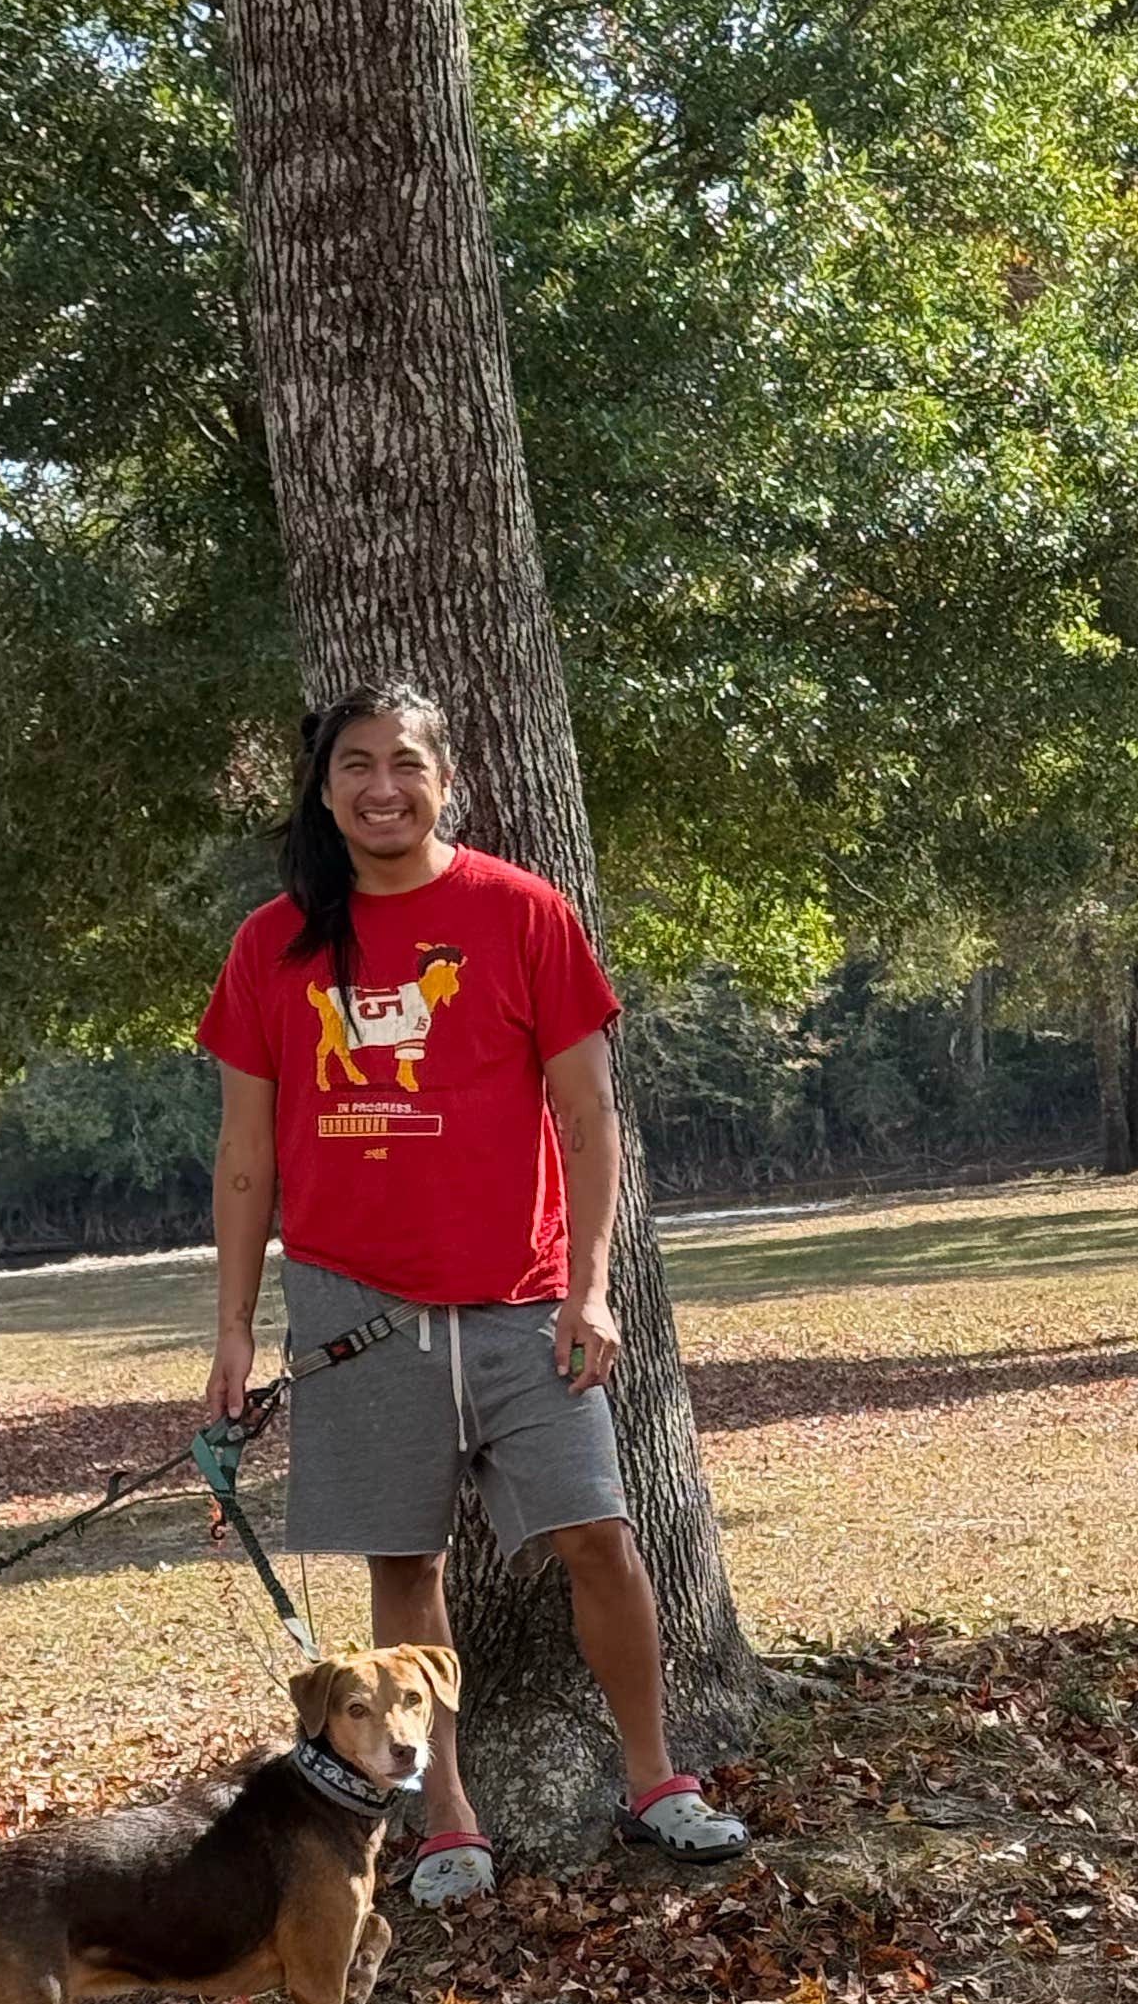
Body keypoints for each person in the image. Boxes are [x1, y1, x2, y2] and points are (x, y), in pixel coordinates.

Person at [198, 681, 748, 1905]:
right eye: (355, 764)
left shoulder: (521, 915)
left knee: (600, 1537)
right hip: (356, 1307)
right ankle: (445, 1816)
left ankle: (658, 1780)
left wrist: (593, 1288)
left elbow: (589, 1116)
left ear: (448, 781)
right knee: (405, 1565)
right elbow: (246, 1158)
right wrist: (234, 1331)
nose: (381, 786)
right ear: (325, 785)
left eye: (405, 762)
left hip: (524, 1300)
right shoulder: (272, 945)